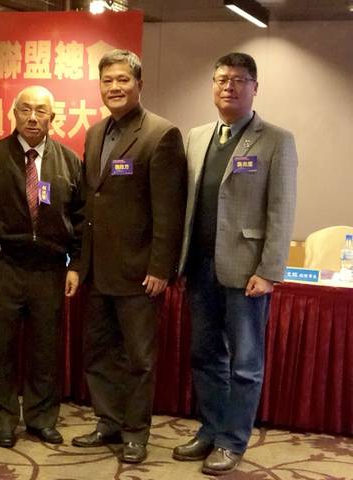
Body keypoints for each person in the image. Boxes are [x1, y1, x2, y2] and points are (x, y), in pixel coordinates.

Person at [172, 52, 297, 476]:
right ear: (213, 85)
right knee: (205, 355)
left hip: (247, 273)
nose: (230, 86)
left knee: (245, 363)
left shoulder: (276, 140)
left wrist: (269, 271)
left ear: (255, 88)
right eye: (222, 78)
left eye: (240, 80)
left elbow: (281, 209)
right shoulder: (197, 136)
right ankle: (210, 429)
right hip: (199, 266)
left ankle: (232, 441)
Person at [71, 49, 187, 464]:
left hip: (139, 272)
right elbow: (91, 202)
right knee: (99, 353)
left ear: (139, 84)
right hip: (97, 271)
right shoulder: (94, 133)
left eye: (123, 80)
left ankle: (135, 433)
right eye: (107, 81)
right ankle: (108, 422)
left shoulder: (161, 134)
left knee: (138, 358)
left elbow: (169, 210)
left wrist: (160, 267)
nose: (115, 87)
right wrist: (79, 264)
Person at [0, 85, 83, 448]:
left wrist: (76, 265)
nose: (32, 118)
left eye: (41, 111)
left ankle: (41, 419)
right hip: (2, 264)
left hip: (49, 267)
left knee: (46, 349)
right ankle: (2, 420)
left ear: (52, 118)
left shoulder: (69, 161)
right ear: (14, 114)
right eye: (25, 110)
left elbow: (81, 218)